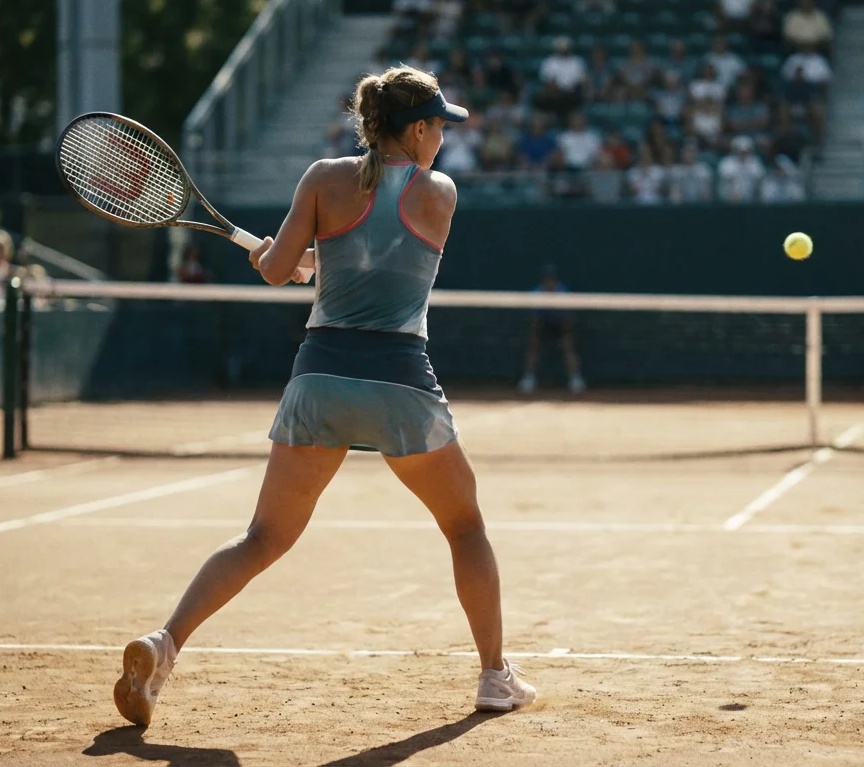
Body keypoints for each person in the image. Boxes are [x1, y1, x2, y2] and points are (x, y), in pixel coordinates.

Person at [112, 66, 535, 729]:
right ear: (417, 130)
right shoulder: (440, 194)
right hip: (400, 383)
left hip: (319, 381)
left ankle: (163, 646)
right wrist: (313, 263)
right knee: (465, 527)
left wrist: (285, 260)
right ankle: (493, 675)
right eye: (439, 127)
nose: (444, 139)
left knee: (263, 537)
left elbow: (283, 269)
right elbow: (382, 259)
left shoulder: (321, 178)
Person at [517, 265, 586, 395]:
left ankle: (576, 379)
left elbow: (567, 319)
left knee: (568, 344)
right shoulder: (536, 293)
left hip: (560, 325)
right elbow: (535, 319)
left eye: (551, 279)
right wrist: (537, 333)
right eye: (547, 279)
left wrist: (564, 333)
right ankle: (528, 379)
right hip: (542, 325)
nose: (549, 282)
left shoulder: (563, 293)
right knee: (533, 344)